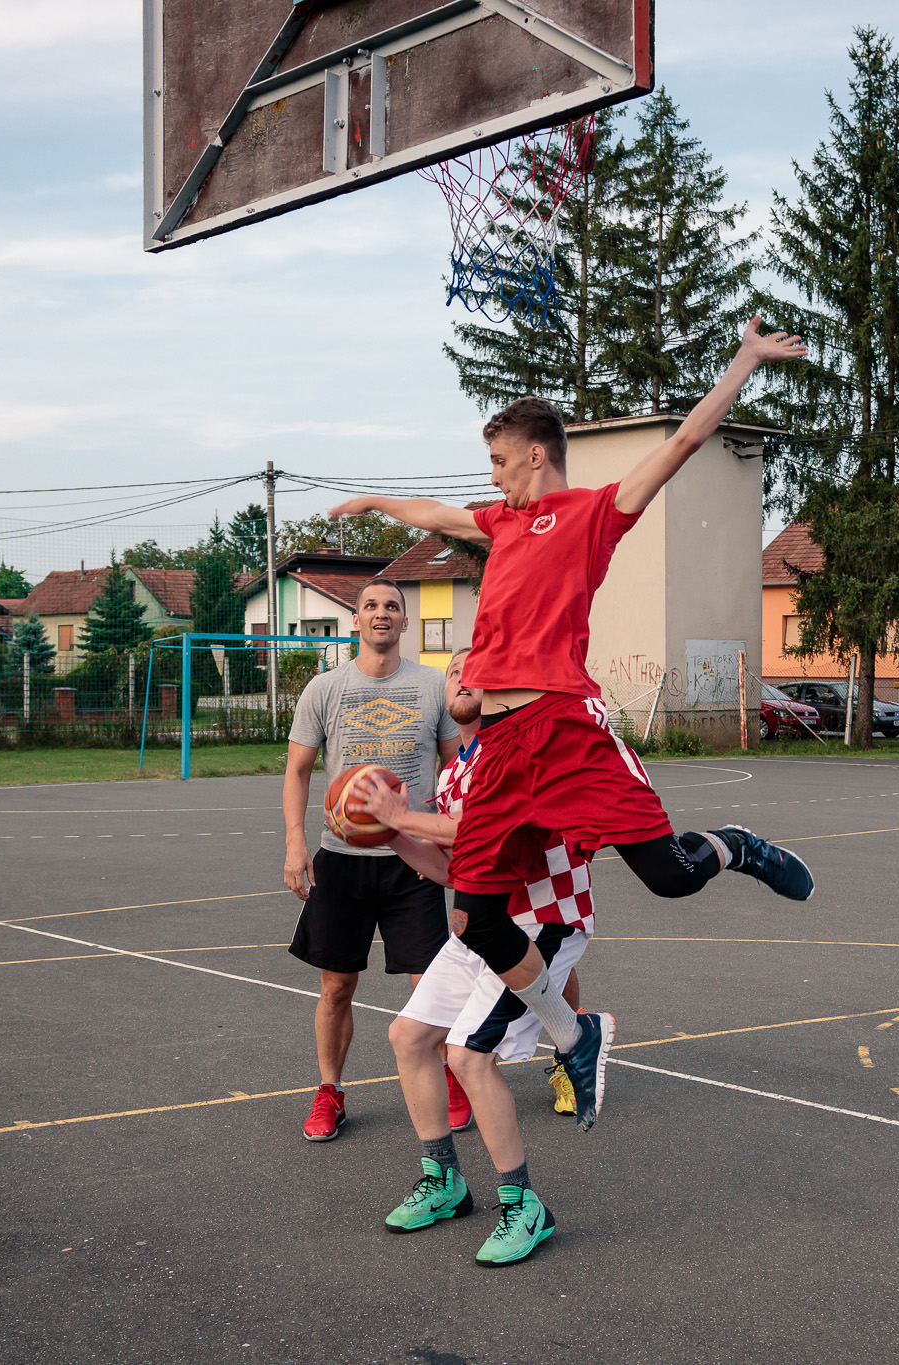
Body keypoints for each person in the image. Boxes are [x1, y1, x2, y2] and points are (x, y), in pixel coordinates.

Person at [325, 317, 816, 1131]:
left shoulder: (591, 513)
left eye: (498, 460)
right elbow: (438, 513)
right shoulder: (500, 524)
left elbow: (687, 440)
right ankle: (571, 1034)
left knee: (666, 874)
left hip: (567, 727)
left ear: (535, 454)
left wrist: (743, 361)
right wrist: (377, 499)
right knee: (479, 914)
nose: (492, 477)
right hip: (505, 746)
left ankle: (735, 844)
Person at [359, 648, 591, 1265]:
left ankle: (524, 1205)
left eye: (477, 670)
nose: (463, 678)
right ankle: (445, 1180)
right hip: (484, 926)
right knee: (409, 1037)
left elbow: (488, 835)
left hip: (544, 921)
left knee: (468, 1053)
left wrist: (402, 815)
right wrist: (394, 836)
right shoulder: (455, 771)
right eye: (454, 672)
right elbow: (454, 867)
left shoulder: (517, 748)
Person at [282, 578, 461, 1142]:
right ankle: (329, 1090)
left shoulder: (435, 687)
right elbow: (298, 771)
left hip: (414, 860)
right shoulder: (324, 689)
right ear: (354, 621)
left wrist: (458, 854)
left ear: (405, 623)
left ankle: (453, 1077)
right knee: (336, 985)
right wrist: (294, 841)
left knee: (429, 985)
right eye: (370, 606)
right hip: (341, 859)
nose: (381, 614)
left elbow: (457, 774)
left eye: (392, 607)